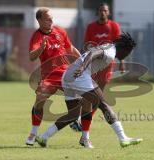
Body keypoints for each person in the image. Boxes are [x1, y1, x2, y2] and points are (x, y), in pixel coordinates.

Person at [35, 32, 143, 148]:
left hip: (67, 76)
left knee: (73, 114)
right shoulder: (111, 52)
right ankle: (123, 138)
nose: (127, 55)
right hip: (79, 75)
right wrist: (82, 67)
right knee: (103, 104)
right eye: (128, 52)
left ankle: (44, 137)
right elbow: (93, 53)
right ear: (125, 49)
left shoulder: (108, 46)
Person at [70, 2, 124, 148]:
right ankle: (82, 126)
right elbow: (86, 45)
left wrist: (122, 62)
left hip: (105, 67)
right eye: (100, 10)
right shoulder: (91, 27)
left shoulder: (114, 26)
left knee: (95, 98)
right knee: (92, 98)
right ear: (97, 12)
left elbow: (118, 47)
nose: (102, 13)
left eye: (105, 10)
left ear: (108, 13)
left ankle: (82, 125)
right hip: (91, 66)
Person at [25, 7, 81, 145]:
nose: (51, 21)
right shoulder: (37, 36)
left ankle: (77, 122)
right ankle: (33, 133)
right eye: (47, 19)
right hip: (49, 76)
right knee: (39, 100)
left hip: (65, 74)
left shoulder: (60, 31)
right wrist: (41, 48)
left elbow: (71, 48)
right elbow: (32, 56)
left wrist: (83, 61)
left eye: (51, 18)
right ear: (39, 20)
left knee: (85, 94)